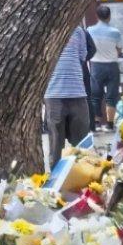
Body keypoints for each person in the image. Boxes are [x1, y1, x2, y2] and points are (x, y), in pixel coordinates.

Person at [44, 25, 91, 166]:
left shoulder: (79, 31)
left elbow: (83, 55)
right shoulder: (44, 28)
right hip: (53, 94)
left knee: (82, 147)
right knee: (56, 147)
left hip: (78, 93)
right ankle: (56, 183)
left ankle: (84, 181)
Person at [86, 5, 123, 132]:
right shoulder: (115, 32)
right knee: (111, 96)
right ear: (109, 16)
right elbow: (119, 49)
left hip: (96, 65)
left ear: (97, 16)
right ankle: (110, 124)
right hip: (112, 65)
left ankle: (96, 123)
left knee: (95, 95)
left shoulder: (90, 30)